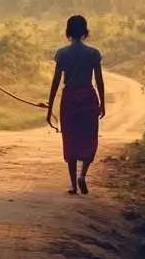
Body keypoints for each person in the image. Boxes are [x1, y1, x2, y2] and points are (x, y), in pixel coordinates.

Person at [45, 14, 105, 196]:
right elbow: (99, 81)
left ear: (68, 32)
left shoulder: (62, 54)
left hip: (69, 98)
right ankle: (83, 176)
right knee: (89, 137)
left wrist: (49, 108)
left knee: (70, 138)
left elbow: (56, 82)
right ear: (85, 32)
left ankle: (73, 184)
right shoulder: (93, 54)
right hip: (88, 97)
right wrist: (103, 103)